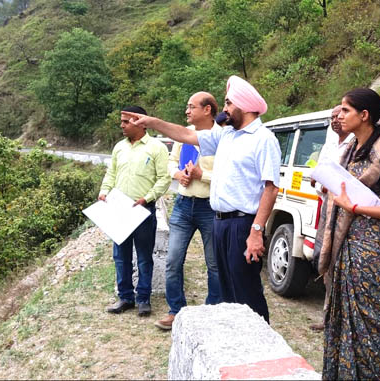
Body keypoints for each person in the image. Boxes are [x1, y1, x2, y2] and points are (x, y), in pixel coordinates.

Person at [121, 76, 280, 323]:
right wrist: (153, 122)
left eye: (228, 103)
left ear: (244, 105)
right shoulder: (228, 135)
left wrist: (256, 230)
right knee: (227, 287)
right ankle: (229, 335)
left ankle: (259, 344)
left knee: (246, 289)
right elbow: (185, 134)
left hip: (242, 224)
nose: (224, 109)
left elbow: (271, 188)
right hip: (220, 222)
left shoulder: (263, 139)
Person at [319, 88, 380, 380]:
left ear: (364, 115)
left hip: (372, 249)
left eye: (346, 110)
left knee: (369, 323)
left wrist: (356, 206)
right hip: (346, 242)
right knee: (341, 318)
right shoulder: (349, 150)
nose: (339, 115)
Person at [155, 92, 222, 331]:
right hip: (183, 206)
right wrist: (178, 174)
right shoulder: (183, 135)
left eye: (191, 107)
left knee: (214, 264)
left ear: (207, 110)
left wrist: (201, 175)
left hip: (209, 208)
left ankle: (211, 309)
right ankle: (176, 311)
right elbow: (171, 163)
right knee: (173, 260)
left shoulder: (222, 137)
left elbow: (228, 177)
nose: (187, 111)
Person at [99, 106, 171, 317]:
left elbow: (164, 179)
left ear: (140, 122)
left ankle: (143, 299)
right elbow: (111, 173)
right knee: (120, 256)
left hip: (143, 210)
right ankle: (125, 297)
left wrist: (147, 198)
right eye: (121, 121)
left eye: (126, 121)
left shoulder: (156, 147)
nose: (121, 125)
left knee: (143, 257)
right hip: (119, 209)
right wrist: (104, 191)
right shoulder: (119, 147)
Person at [309, 104, 354, 332]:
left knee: (339, 263)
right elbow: (323, 169)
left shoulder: (354, 145)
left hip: (344, 211)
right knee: (324, 260)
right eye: (332, 117)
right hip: (326, 207)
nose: (335, 120)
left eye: (339, 116)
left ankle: (338, 320)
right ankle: (328, 317)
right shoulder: (330, 143)